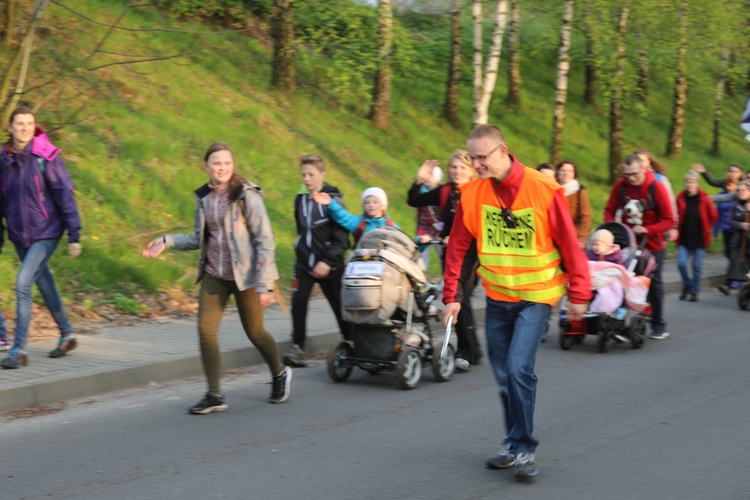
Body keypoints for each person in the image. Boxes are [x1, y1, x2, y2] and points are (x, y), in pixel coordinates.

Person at [442, 124, 591, 479]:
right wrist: (452, 296)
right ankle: (512, 443)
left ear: (503, 151)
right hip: (497, 297)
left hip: (536, 297)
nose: (476, 164)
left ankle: (523, 448)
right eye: (472, 157)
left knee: (518, 369)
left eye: (482, 157)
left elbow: (570, 244)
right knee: (504, 377)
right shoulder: (473, 193)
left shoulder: (544, 189)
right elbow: (458, 247)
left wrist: (580, 294)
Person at [142, 142, 291, 414]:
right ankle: (214, 394)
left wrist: (265, 283)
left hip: (245, 276)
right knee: (205, 331)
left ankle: (279, 373)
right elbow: (198, 238)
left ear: (232, 166)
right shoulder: (204, 200)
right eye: (216, 163)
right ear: (206, 167)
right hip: (214, 274)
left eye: (227, 163)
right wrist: (167, 240)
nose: (222, 167)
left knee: (255, 333)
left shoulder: (247, 196)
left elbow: (265, 240)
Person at [0, 106, 82, 369]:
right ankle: (67, 334)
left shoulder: (45, 156)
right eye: (19, 123)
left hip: (46, 231)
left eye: (29, 123)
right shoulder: (4, 161)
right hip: (19, 234)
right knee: (44, 284)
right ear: (10, 127)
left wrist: (74, 234)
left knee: (23, 283)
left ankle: (18, 350)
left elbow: (64, 192)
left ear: (34, 127)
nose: (25, 127)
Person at [407, 150, 481, 371]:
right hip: (449, 256)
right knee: (455, 301)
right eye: (453, 167)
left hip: (473, 256)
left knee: (461, 301)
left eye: (462, 167)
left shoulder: (478, 192)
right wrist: (419, 179)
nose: (457, 171)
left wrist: (457, 237)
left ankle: (465, 352)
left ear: (472, 171)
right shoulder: (445, 191)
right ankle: (474, 349)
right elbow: (414, 200)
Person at [283, 154, 350, 368]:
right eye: (303, 175)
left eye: (311, 174)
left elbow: (342, 241)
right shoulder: (299, 199)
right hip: (304, 263)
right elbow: (302, 231)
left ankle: (352, 343)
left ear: (323, 174)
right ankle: (298, 348)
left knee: (340, 306)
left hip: (330, 264)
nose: (307, 179)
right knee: (299, 302)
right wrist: (301, 250)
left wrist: (327, 262)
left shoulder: (333, 201)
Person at [604, 154, 674, 340]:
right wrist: (612, 228)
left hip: (652, 245)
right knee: (622, 281)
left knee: (653, 285)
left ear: (643, 169)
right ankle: (618, 323)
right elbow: (609, 209)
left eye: (634, 174)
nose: (631, 178)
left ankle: (658, 324)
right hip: (627, 244)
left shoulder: (656, 188)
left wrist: (648, 229)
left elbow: (669, 220)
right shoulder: (621, 185)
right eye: (627, 174)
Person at [675, 170, 718, 302]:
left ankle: (694, 292)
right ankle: (687, 286)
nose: (690, 184)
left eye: (693, 182)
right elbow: (675, 215)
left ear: (697, 183)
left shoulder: (704, 199)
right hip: (684, 238)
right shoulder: (680, 198)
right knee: (681, 263)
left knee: (697, 266)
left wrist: (706, 227)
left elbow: (714, 216)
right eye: (688, 182)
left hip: (700, 238)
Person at [312, 186, 400, 242]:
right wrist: (330, 203)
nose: (371, 205)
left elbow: (402, 242)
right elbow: (343, 217)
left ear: (382, 205)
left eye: (375, 202)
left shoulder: (392, 226)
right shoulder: (359, 223)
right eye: (367, 203)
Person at [635, 149, 678, 242]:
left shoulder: (660, 179)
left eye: (642, 160)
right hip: (635, 228)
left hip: (657, 228)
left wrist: (674, 226)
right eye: (637, 160)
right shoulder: (630, 180)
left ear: (648, 162)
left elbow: (670, 203)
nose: (640, 164)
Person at [412, 160, 444, 269]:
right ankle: (419, 274)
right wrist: (421, 234)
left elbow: (446, 215)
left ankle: (446, 278)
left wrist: (441, 231)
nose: (429, 178)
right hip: (425, 228)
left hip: (441, 229)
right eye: (427, 175)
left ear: (438, 178)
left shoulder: (443, 192)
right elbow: (420, 216)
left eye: (432, 175)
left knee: (444, 253)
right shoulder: (421, 193)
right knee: (420, 253)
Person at [585, 229, 626, 314]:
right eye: (593, 244)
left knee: (608, 290)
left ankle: (602, 307)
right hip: (594, 278)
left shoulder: (615, 256)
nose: (594, 247)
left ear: (607, 245)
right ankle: (590, 306)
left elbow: (619, 269)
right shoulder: (590, 254)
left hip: (608, 280)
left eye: (597, 245)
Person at [713, 174, 739, 292]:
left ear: (736, 185)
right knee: (729, 254)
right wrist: (715, 231)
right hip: (725, 229)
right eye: (726, 185)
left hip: (736, 230)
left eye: (731, 185)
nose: (729, 187)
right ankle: (735, 277)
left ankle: (730, 282)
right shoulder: (721, 196)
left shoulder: (739, 196)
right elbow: (716, 215)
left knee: (734, 255)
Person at [556, 160, 592, 245]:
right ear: (558, 172)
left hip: (573, 237)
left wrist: (582, 239)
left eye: (570, 171)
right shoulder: (553, 190)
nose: (566, 173)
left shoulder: (579, 192)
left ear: (574, 174)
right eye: (563, 170)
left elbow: (586, 217)